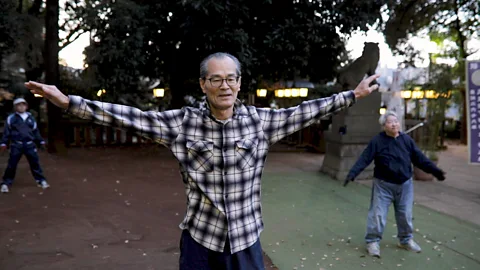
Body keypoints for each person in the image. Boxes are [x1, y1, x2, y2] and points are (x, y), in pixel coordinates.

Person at [25, 52, 380, 269]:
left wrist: (352, 95)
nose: (224, 86)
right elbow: (128, 116)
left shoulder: (261, 122)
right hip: (200, 239)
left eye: (230, 79)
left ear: (239, 83)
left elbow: (307, 111)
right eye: (216, 79)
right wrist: (69, 102)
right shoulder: (181, 123)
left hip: (246, 240)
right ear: (203, 84)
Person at [343, 111, 446, 258]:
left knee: (405, 214)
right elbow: (364, 159)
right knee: (378, 214)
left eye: (396, 121)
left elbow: (420, 159)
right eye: (390, 122)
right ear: (384, 125)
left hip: (405, 184)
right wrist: (352, 173)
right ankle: (372, 241)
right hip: (383, 185)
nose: (394, 124)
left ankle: (405, 240)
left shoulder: (406, 140)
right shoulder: (377, 141)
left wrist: (435, 171)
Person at [0, 98, 50, 193]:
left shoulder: (31, 118)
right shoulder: (12, 118)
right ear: (15, 107)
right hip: (16, 145)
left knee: (35, 163)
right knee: (12, 165)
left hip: (29, 145)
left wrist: (41, 141)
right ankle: (6, 183)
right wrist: (3, 143)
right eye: (19, 105)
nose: (21, 106)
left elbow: (36, 132)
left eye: (23, 104)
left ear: (26, 106)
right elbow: (7, 132)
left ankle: (41, 180)